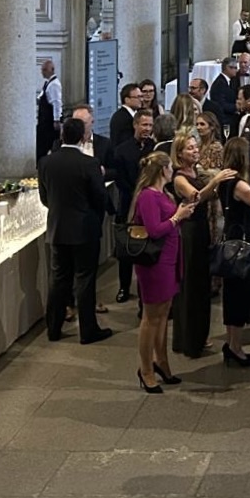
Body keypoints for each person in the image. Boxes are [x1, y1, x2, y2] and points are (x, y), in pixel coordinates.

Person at [39, 117, 113, 344]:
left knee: (58, 279)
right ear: (83, 137)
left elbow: (44, 198)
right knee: (85, 279)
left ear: (62, 136)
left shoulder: (46, 162)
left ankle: (53, 329)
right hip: (85, 229)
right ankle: (88, 331)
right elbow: (100, 196)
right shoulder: (89, 163)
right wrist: (94, 216)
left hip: (58, 228)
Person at [129, 152, 195, 392]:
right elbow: (154, 229)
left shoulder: (164, 194)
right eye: (169, 167)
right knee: (151, 316)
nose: (172, 171)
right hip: (154, 262)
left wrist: (181, 214)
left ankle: (162, 361)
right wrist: (178, 217)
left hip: (169, 258)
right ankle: (146, 368)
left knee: (164, 312)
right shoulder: (148, 196)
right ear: (162, 170)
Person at [171, 131, 238, 358]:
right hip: (189, 233)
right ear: (179, 153)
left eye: (195, 146)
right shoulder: (179, 178)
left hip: (201, 230)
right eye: (190, 148)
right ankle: (189, 340)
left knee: (201, 284)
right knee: (190, 284)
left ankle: (199, 335)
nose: (195, 150)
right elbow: (196, 197)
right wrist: (215, 181)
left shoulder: (196, 171)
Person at [217, 136, 250, 366]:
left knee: (231, 295)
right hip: (243, 246)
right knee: (240, 296)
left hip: (230, 242)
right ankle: (236, 347)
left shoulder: (224, 180)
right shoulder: (239, 184)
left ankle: (231, 342)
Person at [111, 106, 157, 303]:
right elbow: (119, 179)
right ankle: (123, 286)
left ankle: (147, 287)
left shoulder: (154, 148)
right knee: (126, 247)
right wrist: (136, 194)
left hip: (151, 206)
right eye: (144, 125)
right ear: (135, 125)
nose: (147, 129)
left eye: (150, 125)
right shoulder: (121, 150)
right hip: (128, 204)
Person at [35, 57, 62, 161]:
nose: (42, 72)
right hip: (43, 120)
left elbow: (56, 103)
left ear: (51, 70)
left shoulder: (54, 85)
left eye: (44, 70)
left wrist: (56, 120)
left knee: (46, 144)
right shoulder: (48, 83)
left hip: (48, 122)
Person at [109, 82, 141, 148]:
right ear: (127, 100)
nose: (141, 100)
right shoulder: (121, 118)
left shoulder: (136, 114)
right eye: (138, 97)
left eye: (141, 96)